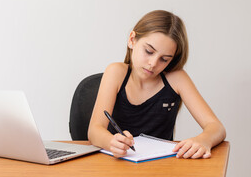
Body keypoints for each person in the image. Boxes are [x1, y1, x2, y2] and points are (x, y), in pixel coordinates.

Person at [88, 10, 226, 159]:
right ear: (132, 40)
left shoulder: (176, 79)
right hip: (117, 163)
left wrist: (203, 140)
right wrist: (111, 142)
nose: (153, 64)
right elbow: (94, 131)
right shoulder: (116, 73)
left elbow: (217, 128)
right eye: (148, 51)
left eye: (164, 59)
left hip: (162, 166)